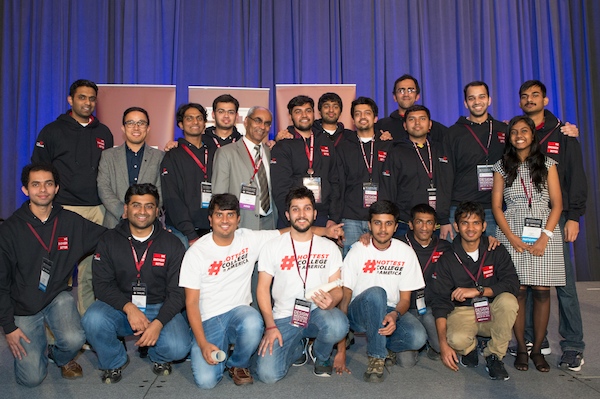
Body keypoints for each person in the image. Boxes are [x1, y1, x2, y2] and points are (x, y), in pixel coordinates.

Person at [179, 193, 342, 389]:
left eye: (230, 215)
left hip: (240, 314)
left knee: (253, 321)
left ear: (238, 219)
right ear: (210, 219)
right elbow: (191, 303)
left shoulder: (249, 238)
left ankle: (237, 364)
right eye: (219, 215)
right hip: (209, 319)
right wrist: (203, 343)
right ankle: (202, 344)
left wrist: (325, 231)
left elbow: (296, 227)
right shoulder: (196, 253)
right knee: (207, 382)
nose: (225, 221)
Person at [0, 163, 106, 387]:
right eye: (35, 184)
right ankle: (37, 347)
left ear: (56, 188)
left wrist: (139, 227)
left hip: (57, 297)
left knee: (75, 338)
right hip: (23, 307)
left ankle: (56, 355)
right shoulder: (9, 230)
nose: (43, 190)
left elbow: (108, 238)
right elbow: (1, 283)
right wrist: (8, 327)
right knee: (31, 380)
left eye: (48, 184)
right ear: (25, 190)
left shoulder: (69, 221)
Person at [82, 183, 190, 384]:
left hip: (159, 307)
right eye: (136, 205)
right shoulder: (108, 240)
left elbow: (178, 293)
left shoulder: (173, 243)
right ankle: (114, 361)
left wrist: (158, 323)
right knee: (93, 319)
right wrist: (129, 307)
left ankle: (158, 355)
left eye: (149, 206)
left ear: (157, 211)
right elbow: (102, 285)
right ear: (126, 209)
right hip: (121, 307)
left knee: (179, 347)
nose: (142, 211)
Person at [518, 80, 587, 371]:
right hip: (525, 221)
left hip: (556, 220)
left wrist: (574, 216)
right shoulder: (518, 133)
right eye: (525, 96)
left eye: (535, 95)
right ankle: (536, 339)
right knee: (530, 282)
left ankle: (573, 345)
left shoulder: (564, 134)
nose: (530, 99)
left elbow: (576, 177)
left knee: (564, 286)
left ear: (545, 100)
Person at [31, 79, 113, 315]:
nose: (87, 102)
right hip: (63, 209)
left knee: (90, 272)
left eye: (91, 98)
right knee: (60, 273)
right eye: (81, 97)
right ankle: (58, 332)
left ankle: (87, 324)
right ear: (70, 100)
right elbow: (39, 170)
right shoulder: (52, 131)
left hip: (97, 210)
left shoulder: (104, 133)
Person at [492, 115, 564, 372]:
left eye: (524, 131)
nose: (519, 135)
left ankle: (537, 351)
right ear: (509, 137)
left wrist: (545, 237)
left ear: (533, 135)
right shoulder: (501, 166)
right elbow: (496, 207)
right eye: (514, 132)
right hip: (512, 232)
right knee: (518, 291)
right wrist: (511, 237)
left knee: (543, 292)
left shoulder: (548, 164)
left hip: (544, 232)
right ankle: (521, 347)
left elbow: (557, 205)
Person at [255, 187, 348, 382]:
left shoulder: (329, 247)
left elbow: (338, 288)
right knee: (268, 375)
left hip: (317, 312)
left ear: (315, 214)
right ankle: (297, 347)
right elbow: (263, 289)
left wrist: (332, 301)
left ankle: (320, 355)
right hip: (284, 316)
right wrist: (270, 326)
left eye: (307, 209)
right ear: (288, 215)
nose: (302, 214)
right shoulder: (272, 247)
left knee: (338, 324)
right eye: (296, 209)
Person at [335, 200, 427, 382]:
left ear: (395, 227)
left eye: (388, 223)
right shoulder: (358, 250)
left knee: (418, 337)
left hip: (389, 311)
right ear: (369, 225)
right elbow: (345, 296)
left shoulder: (406, 253)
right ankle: (377, 357)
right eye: (377, 223)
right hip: (359, 311)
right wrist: (341, 346)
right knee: (377, 293)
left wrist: (395, 316)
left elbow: (405, 300)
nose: (383, 229)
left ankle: (384, 345)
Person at [429, 201, 519, 381]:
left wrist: (478, 291)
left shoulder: (496, 249)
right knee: (456, 339)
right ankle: (469, 348)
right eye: (465, 223)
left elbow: (513, 284)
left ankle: (494, 355)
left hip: (492, 309)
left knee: (509, 301)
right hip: (462, 311)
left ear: (484, 226)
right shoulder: (448, 258)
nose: (471, 228)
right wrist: (443, 344)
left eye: (476, 223)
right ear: (456, 226)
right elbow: (440, 302)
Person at [445, 81, 507, 238]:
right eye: (472, 98)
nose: (477, 102)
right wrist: (444, 216)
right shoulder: (453, 133)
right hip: (460, 208)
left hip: (495, 208)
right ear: (466, 103)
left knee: (493, 259)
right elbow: (445, 174)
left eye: (481, 97)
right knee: (458, 259)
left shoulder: (504, 130)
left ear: (489, 100)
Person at [382, 105, 452, 238]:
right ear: (405, 125)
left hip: (437, 225)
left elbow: (448, 185)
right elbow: (388, 189)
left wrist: (444, 219)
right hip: (404, 224)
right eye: (412, 119)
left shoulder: (441, 149)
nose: (417, 123)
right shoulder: (396, 151)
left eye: (422, 119)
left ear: (430, 124)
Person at [334, 97, 393, 255]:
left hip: (382, 217)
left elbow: (394, 183)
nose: (362, 117)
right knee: (351, 266)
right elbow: (338, 185)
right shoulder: (344, 147)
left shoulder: (388, 145)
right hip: (351, 218)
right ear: (353, 120)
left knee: (379, 265)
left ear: (375, 118)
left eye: (367, 113)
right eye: (358, 113)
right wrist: (336, 219)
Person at [270, 95, 340, 227]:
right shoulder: (283, 145)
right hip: (294, 218)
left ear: (314, 114)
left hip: (323, 217)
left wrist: (334, 217)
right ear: (290, 116)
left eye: (308, 110)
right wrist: (291, 216)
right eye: (298, 111)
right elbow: (280, 188)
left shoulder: (325, 141)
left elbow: (334, 181)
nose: (304, 115)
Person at [401, 204, 453, 360]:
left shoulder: (445, 247)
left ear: (435, 225)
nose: (424, 227)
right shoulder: (398, 244)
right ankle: (399, 343)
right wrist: (366, 238)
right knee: (407, 363)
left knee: (441, 346)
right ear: (410, 224)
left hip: (430, 308)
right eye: (419, 222)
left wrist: (489, 240)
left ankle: (429, 343)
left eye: (429, 222)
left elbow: (470, 246)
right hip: (404, 308)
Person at [97, 107, 164, 228]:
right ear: (123, 128)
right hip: (114, 222)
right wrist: (123, 211)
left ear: (148, 129)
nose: (136, 128)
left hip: (148, 222)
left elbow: (161, 189)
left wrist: (146, 210)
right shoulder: (108, 156)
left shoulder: (160, 156)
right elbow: (103, 187)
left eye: (141, 123)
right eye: (130, 123)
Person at [161, 103, 216, 247]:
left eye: (199, 118)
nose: (195, 122)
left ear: (205, 123)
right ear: (181, 124)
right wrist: (190, 234)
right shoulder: (172, 155)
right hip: (183, 233)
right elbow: (171, 198)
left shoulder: (215, 152)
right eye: (189, 118)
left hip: (213, 230)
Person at [212, 106, 276, 230]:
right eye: (258, 120)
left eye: (267, 123)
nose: (262, 127)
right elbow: (219, 195)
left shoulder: (271, 152)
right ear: (246, 121)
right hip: (241, 225)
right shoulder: (226, 153)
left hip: (271, 224)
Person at [376, 74, 447, 144]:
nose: (406, 94)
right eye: (401, 90)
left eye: (410, 90)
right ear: (394, 97)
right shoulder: (381, 126)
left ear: (417, 96)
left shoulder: (434, 128)